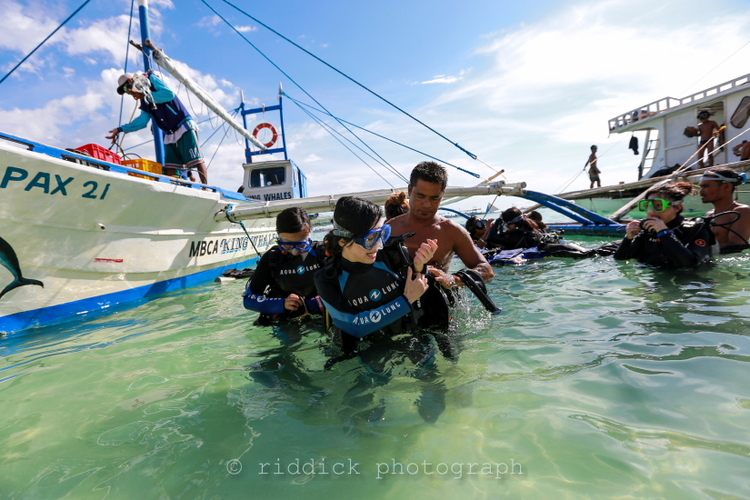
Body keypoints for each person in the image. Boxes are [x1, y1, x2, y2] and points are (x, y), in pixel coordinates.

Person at [314, 196, 437, 353]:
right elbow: (355, 326)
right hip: (366, 352)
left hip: (411, 340)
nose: (378, 246)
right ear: (343, 241)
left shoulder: (392, 254)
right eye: (370, 239)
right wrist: (405, 301)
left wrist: (420, 266)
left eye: (381, 234)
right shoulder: (327, 278)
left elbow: (418, 291)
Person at [387, 161, 494, 290]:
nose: (427, 204)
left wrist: (455, 280)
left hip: (440, 302)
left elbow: (487, 271)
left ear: (442, 195)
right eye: (421, 196)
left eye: (434, 198)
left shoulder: (452, 231)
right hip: (400, 304)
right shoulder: (390, 229)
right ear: (410, 190)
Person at [106, 71, 209, 184]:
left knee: (196, 158)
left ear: (132, 81)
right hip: (169, 133)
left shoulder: (151, 79)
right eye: (126, 92)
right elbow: (142, 122)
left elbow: (168, 94)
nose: (129, 93)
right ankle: (171, 188)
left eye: (127, 88)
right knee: (170, 165)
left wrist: (147, 96)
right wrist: (120, 129)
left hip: (183, 124)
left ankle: (205, 186)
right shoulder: (144, 100)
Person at [242, 207, 327, 325]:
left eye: (301, 245)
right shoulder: (272, 258)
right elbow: (249, 300)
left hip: (321, 314)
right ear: (278, 237)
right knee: (289, 339)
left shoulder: (323, 253)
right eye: (287, 246)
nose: (295, 251)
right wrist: (282, 304)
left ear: (310, 233)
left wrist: (313, 304)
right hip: (287, 317)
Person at [614, 182, 715, 266]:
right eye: (647, 205)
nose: (650, 211)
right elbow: (621, 261)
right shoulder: (648, 231)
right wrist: (628, 238)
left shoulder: (696, 230)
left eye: (658, 205)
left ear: (677, 208)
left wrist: (664, 232)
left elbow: (689, 264)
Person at [699, 167, 750, 253]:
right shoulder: (709, 215)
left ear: (726, 187)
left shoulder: (741, 212)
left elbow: (736, 246)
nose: (701, 192)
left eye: (706, 186)